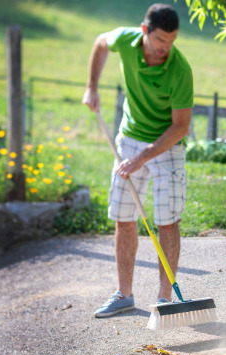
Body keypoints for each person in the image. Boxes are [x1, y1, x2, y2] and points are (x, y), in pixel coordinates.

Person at [82, 3, 193, 317]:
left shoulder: (179, 69)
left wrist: (144, 157)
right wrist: (92, 87)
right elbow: (100, 43)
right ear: (145, 31)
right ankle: (124, 294)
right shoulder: (126, 41)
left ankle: (164, 300)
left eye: (171, 41)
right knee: (123, 215)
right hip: (130, 136)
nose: (165, 48)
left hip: (167, 144)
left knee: (167, 221)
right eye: (160, 40)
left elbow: (180, 126)